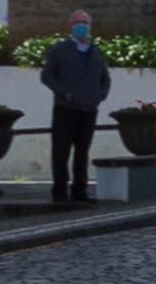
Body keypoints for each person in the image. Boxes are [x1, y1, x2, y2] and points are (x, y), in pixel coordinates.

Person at [37, 12, 114, 208]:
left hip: (89, 109)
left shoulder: (96, 51)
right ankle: (60, 191)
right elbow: (47, 76)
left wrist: (100, 95)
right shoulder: (59, 50)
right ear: (70, 25)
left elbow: (105, 78)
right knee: (61, 152)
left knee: (82, 152)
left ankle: (80, 191)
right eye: (78, 22)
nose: (82, 26)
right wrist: (64, 93)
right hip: (65, 109)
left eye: (85, 23)